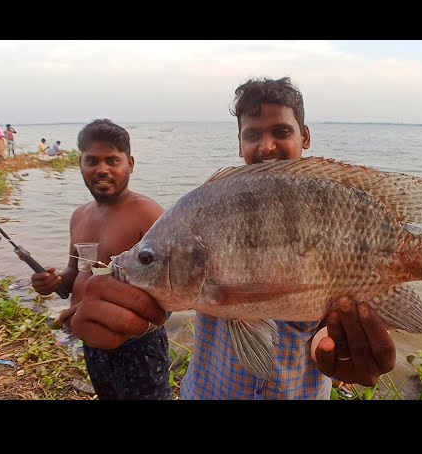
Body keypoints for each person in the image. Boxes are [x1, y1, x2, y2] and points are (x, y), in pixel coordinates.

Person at [69, 77, 396, 399]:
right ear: (240, 143)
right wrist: (114, 312)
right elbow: (154, 304)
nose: (266, 146)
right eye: (253, 134)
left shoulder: (327, 211)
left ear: (305, 136)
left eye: (281, 132)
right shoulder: (198, 213)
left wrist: (340, 345)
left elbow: (327, 323)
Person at [30, 119, 171, 400]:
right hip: (91, 338)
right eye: (92, 160)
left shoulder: (148, 214)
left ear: (130, 163)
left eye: (112, 160)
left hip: (138, 342)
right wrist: (53, 281)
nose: (102, 169)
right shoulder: (79, 216)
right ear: (80, 163)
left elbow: (171, 284)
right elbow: (77, 271)